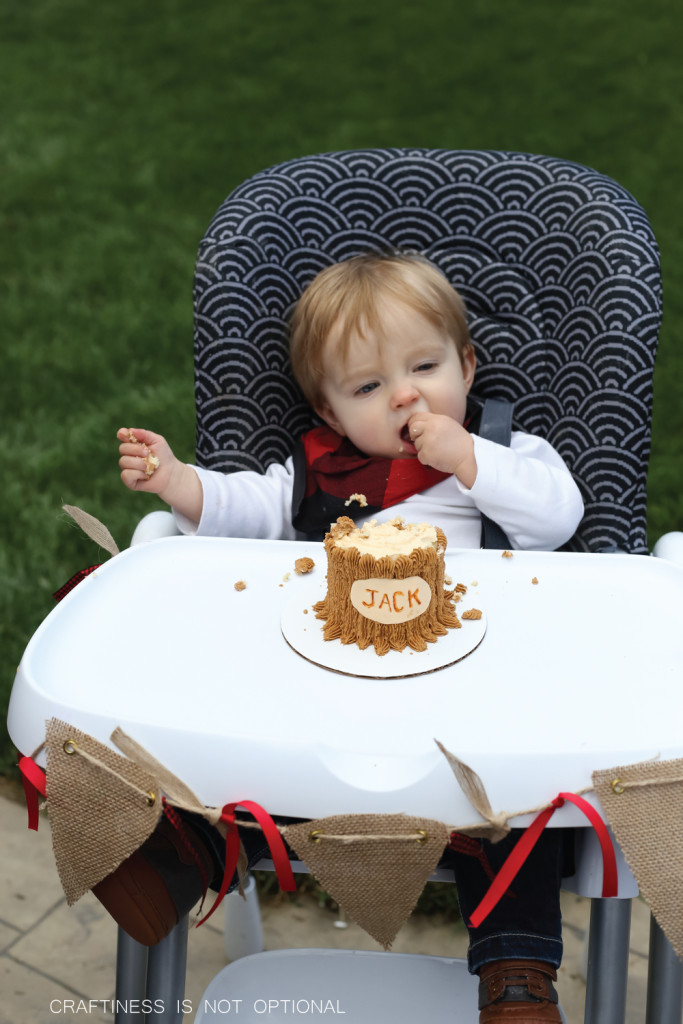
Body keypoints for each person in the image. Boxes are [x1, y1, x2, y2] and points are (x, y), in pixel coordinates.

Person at [115, 252, 584, 1022]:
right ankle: (184, 853)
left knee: (516, 801)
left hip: (471, 706)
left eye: (425, 366)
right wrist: (177, 482)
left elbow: (555, 518)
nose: (404, 394)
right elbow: (239, 510)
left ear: (467, 367)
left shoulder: (504, 458)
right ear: (331, 415)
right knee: (234, 737)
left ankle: (516, 972)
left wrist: (469, 461)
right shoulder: (317, 478)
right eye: (368, 387)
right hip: (324, 691)